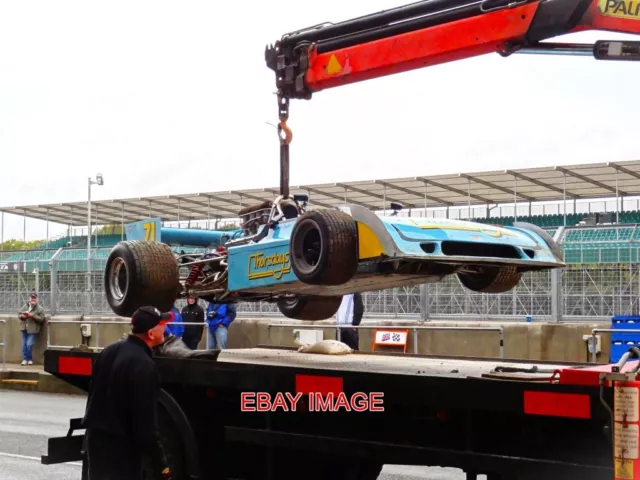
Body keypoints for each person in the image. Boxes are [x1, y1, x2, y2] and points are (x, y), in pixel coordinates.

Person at [81, 306, 175, 480]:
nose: (166, 329)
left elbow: (93, 396)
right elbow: (145, 424)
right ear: (151, 333)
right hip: (122, 450)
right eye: (163, 325)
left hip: (96, 442)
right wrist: (162, 466)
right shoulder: (145, 366)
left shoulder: (109, 351)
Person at [17, 292, 46, 366]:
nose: (33, 299)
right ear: (29, 298)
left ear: (37, 299)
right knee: (24, 345)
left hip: (33, 330)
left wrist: (33, 316)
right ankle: (25, 359)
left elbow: (42, 319)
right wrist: (24, 316)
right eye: (32, 298)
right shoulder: (25, 306)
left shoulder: (40, 309)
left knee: (29, 344)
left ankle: (29, 359)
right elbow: (19, 314)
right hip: (24, 328)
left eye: (34, 298)